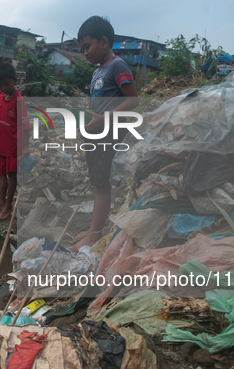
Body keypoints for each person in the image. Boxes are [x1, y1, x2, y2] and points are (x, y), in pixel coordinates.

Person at [71, 16, 139, 252]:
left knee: (101, 185)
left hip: (109, 133)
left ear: (104, 41)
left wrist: (102, 120)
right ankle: (93, 229)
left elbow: (133, 100)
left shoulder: (117, 65)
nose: (85, 53)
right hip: (97, 133)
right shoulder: (99, 71)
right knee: (97, 182)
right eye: (82, 49)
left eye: (87, 46)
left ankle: (95, 234)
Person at [0, 62, 31, 220]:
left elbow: (26, 126)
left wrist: (26, 147)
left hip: (13, 147)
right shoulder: (0, 96)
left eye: (6, 84)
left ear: (15, 80)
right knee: (1, 173)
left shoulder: (18, 101)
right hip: (1, 144)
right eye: (0, 85)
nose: (4, 88)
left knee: (11, 176)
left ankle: (8, 206)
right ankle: (1, 201)